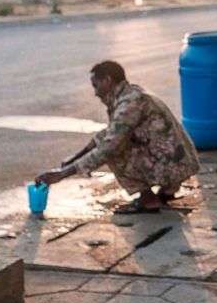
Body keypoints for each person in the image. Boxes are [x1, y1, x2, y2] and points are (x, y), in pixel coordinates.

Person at [36, 60, 200, 214]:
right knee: (110, 141)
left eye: (96, 86)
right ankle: (167, 190)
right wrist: (75, 157)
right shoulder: (132, 93)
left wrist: (62, 174)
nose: (95, 93)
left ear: (107, 81)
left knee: (112, 150)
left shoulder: (128, 104)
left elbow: (109, 146)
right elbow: (108, 132)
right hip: (178, 163)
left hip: (172, 166)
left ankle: (148, 199)